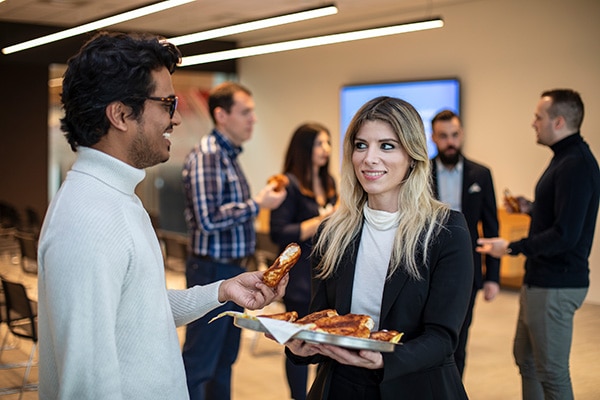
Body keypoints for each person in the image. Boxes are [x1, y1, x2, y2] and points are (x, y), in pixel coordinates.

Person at [36, 32, 287, 399]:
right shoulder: (89, 218)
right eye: (168, 104)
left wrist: (220, 290)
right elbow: (85, 386)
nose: (177, 120)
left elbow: (140, 309)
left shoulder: (118, 197)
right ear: (121, 114)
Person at [285, 96, 474, 400]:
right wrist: (300, 347)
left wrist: (385, 358)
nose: (369, 158)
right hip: (342, 386)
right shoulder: (332, 233)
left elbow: (442, 338)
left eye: (387, 146)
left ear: (412, 156)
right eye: (361, 145)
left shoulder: (446, 231)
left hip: (416, 387)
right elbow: (323, 322)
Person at [477, 89, 600, 400]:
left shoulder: (576, 164)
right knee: (527, 360)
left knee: (552, 373)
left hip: (555, 285)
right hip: (541, 281)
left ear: (558, 122)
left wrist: (512, 247)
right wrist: (532, 208)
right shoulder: (564, 160)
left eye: (538, 117)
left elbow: (565, 235)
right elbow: (564, 214)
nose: (533, 123)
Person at [181, 81, 286, 400]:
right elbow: (208, 218)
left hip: (232, 270)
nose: (252, 119)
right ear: (221, 115)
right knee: (201, 363)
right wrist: (258, 204)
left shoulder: (228, 157)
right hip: (213, 271)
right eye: (245, 112)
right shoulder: (208, 156)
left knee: (224, 360)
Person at [270, 122, 338, 400]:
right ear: (304, 147)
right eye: (320, 143)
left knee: (325, 342)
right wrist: (320, 221)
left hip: (327, 272)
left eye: (328, 143)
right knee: (298, 344)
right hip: (299, 279)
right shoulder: (289, 183)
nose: (326, 150)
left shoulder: (329, 181)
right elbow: (279, 232)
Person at [430, 109, 500, 377]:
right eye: (444, 136)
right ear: (434, 138)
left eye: (455, 135)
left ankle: (454, 390)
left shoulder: (481, 174)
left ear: (462, 135)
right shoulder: (420, 172)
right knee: (427, 335)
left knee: (459, 337)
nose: (450, 141)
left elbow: (491, 226)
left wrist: (492, 276)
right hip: (427, 268)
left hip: (467, 270)